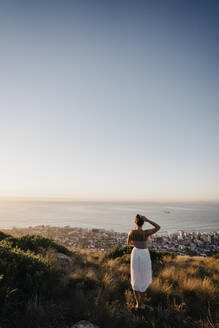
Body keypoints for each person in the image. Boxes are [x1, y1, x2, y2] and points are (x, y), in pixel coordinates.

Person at [127, 214, 160, 309]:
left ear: (135, 222)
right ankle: (142, 304)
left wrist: (136, 243)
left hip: (136, 253)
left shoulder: (131, 232)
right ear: (143, 223)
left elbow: (128, 243)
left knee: (135, 276)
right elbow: (158, 227)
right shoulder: (145, 233)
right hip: (144, 254)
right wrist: (148, 220)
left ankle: (137, 303)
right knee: (143, 277)